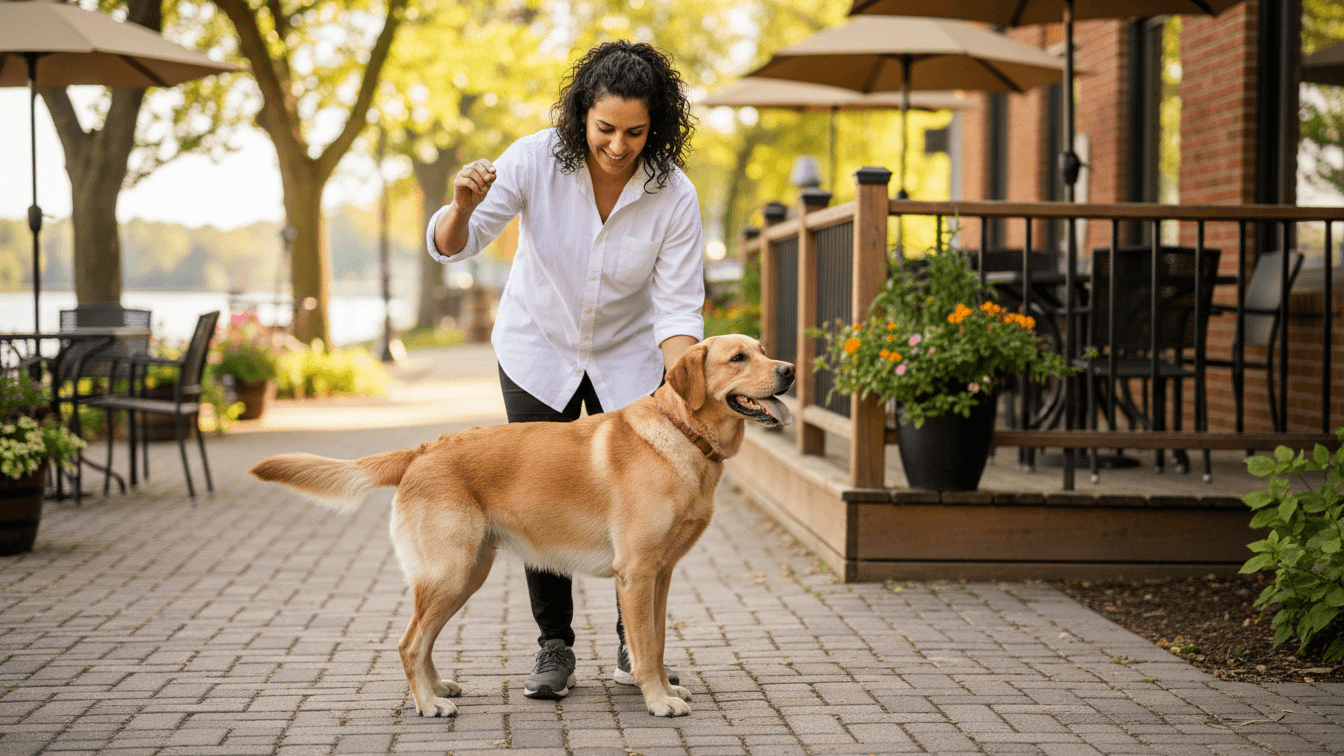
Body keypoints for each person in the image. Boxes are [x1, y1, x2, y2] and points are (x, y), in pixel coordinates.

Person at [425, 40, 704, 700]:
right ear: (582, 115)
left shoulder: (674, 193)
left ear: (657, 126)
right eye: (605, 128)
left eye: (635, 132)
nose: (618, 145)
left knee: (642, 506)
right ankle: (554, 646)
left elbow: (677, 307)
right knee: (538, 497)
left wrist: (687, 395)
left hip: (628, 359)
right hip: (538, 350)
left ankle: (634, 649)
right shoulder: (532, 159)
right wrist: (461, 206)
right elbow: (455, 246)